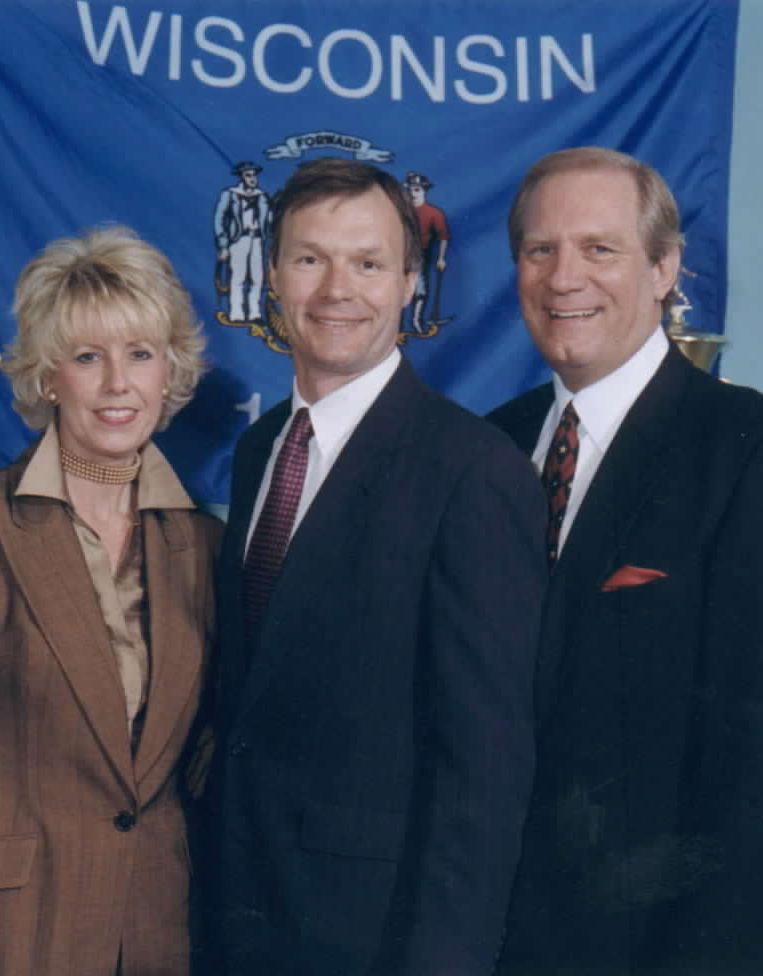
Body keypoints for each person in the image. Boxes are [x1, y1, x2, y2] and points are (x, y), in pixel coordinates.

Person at [487, 147, 763, 976]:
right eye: (541, 250)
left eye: (599, 248)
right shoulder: (488, 447)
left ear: (664, 269)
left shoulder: (759, 452)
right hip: (478, 941)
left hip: (652, 952)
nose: (564, 277)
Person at [202, 158, 546, 976]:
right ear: (274, 276)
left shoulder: (473, 470)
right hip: (232, 918)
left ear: (407, 282)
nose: (336, 290)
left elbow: (486, 762)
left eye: (367, 263)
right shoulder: (260, 449)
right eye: (311, 258)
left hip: (374, 940)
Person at [0, 226, 219, 976]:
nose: (119, 383)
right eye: (90, 357)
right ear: (50, 376)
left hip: (158, 944)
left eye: (141, 355)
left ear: (171, 373)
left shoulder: (204, 548)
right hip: (0, 942)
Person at [214, 161, 272, 324]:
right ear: (242, 177)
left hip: (257, 239)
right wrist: (223, 244)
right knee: (238, 277)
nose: (252, 178)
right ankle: (236, 313)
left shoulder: (262, 196)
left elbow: (268, 219)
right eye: (248, 175)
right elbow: (219, 219)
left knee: (257, 278)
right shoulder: (230, 194)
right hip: (239, 239)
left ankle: (254, 312)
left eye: (253, 175)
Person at [403, 172, 449, 333]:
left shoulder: (434, 213)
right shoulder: (399, 211)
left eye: (416, 190)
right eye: (410, 190)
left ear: (424, 191)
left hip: (421, 254)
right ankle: (395, 327)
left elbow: (443, 237)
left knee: (420, 289)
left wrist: (441, 258)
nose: (413, 194)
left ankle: (416, 320)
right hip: (398, 254)